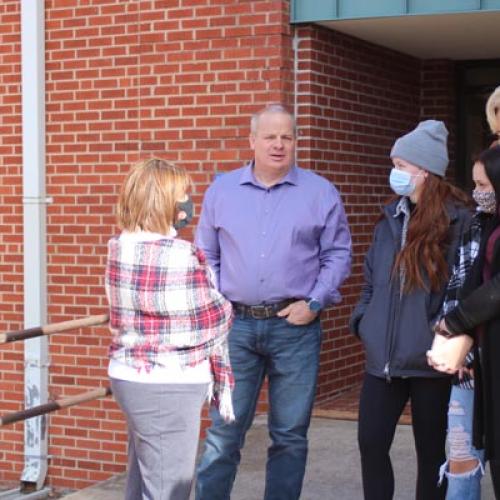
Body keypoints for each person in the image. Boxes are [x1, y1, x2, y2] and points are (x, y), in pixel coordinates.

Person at [194, 103, 352, 500]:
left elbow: (338, 254)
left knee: (289, 436)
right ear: (252, 141)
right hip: (236, 328)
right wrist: (218, 303)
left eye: (287, 136)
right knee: (223, 434)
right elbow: (205, 254)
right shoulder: (222, 190)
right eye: (270, 136)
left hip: (295, 327)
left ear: (296, 141)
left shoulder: (320, 192)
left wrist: (314, 302)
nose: (279, 144)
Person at [350, 120, 472, 500]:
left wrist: (442, 337)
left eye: (401, 165)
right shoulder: (389, 219)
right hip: (383, 361)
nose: (395, 173)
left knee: (431, 455)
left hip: (429, 363)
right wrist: (365, 323)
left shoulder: (459, 222)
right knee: (371, 444)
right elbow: (371, 282)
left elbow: (462, 289)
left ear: (425, 172)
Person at [105, 158, 234, 500]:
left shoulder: (119, 246)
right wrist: (224, 302)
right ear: (165, 203)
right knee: (169, 490)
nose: (189, 204)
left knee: (144, 482)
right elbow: (213, 317)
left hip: (131, 375)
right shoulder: (180, 255)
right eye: (183, 195)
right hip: (167, 383)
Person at [429, 145, 500, 498]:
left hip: (487, 355)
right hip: (471, 362)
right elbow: (459, 285)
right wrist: (456, 343)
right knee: (460, 457)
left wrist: (454, 327)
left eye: (485, 186)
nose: (478, 195)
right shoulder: (477, 225)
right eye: (475, 185)